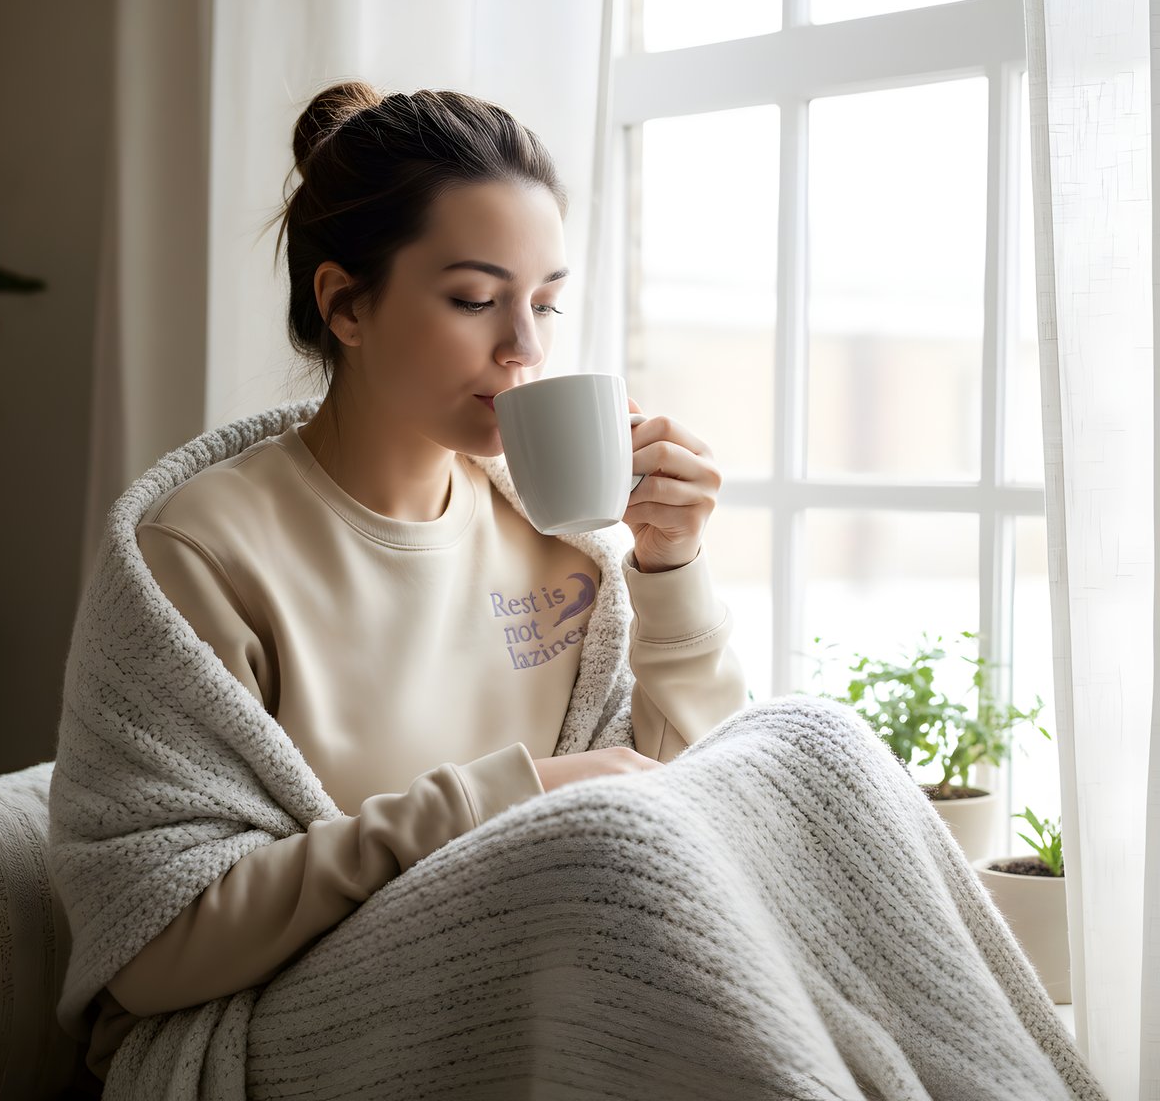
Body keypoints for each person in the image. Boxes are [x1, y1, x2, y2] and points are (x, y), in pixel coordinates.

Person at [78, 81, 749, 1084]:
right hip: (304, 1026)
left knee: (815, 745)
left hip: (541, 1009)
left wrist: (673, 570)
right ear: (345, 303)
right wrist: (508, 799)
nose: (523, 346)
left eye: (547, 302)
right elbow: (152, 946)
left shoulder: (555, 544)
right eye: (477, 300)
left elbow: (696, 822)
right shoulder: (205, 551)